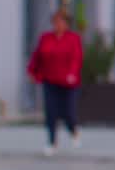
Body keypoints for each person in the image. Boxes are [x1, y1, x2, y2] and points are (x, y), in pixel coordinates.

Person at [27, 9, 83, 156]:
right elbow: (37, 56)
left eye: (60, 22)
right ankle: (51, 142)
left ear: (66, 24)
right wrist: (32, 71)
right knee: (51, 112)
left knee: (68, 112)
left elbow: (76, 58)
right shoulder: (46, 38)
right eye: (55, 22)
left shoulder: (73, 38)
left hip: (68, 83)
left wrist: (72, 73)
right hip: (50, 80)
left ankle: (74, 131)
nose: (57, 25)